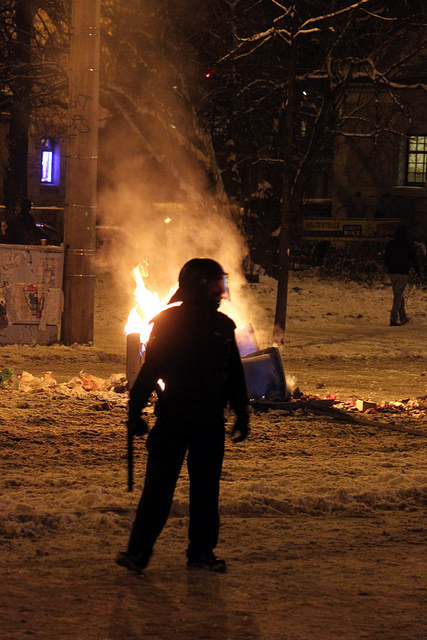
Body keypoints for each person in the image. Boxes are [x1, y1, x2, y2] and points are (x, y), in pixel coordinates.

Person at [116, 258, 249, 574]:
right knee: (159, 490)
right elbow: (150, 372)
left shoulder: (222, 326)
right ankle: (140, 553)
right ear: (198, 287)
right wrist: (134, 412)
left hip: (207, 423)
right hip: (176, 418)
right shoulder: (170, 323)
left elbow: (234, 375)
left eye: (222, 285)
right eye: (215, 285)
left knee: (205, 492)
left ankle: (198, 552)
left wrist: (242, 413)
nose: (220, 292)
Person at [384, 225, 421, 326]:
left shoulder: (391, 244)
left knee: (398, 294)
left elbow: (386, 258)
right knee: (398, 296)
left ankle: (403, 316)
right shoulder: (408, 244)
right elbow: (413, 258)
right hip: (403, 272)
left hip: (392, 272)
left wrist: (387, 267)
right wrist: (418, 271)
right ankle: (393, 318)